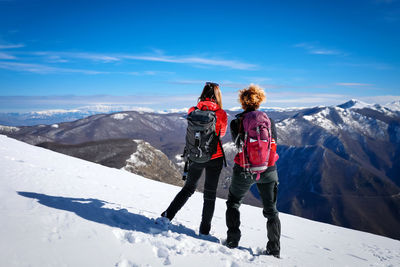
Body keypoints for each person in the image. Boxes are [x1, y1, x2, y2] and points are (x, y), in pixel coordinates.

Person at [159, 82, 228, 235]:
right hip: (214, 156)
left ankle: (167, 216)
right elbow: (221, 134)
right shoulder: (221, 113)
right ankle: (204, 231)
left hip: (195, 155)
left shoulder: (193, 110)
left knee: (188, 188)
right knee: (209, 194)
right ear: (218, 96)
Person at [225, 84, 281, 258]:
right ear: (260, 100)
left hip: (244, 169)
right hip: (268, 168)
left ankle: (233, 241)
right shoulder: (269, 121)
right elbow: (273, 144)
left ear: (242, 102)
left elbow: (238, 144)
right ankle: (274, 250)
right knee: (271, 211)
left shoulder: (236, 122)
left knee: (233, 202)